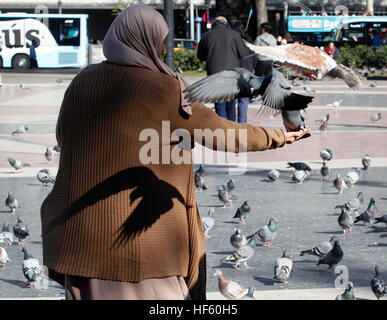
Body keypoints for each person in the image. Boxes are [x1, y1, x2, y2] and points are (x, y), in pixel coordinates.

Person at [40, 4, 309, 300]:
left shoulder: (82, 82)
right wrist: (278, 137)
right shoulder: (165, 88)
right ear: (148, 40)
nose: (164, 48)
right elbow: (221, 133)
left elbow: (62, 137)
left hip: (84, 242)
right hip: (147, 248)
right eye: (161, 40)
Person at [197, 16, 247, 122]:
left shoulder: (206, 35)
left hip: (215, 74)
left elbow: (200, 56)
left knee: (219, 103)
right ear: (226, 23)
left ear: (215, 23)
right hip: (232, 74)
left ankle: (222, 127)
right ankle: (231, 127)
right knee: (231, 103)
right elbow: (243, 54)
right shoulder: (234, 34)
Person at [232, 22, 258, 124]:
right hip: (247, 73)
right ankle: (242, 124)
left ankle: (232, 123)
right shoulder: (250, 44)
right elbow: (255, 59)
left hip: (235, 73)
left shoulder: (233, 43)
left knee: (231, 100)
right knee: (243, 100)